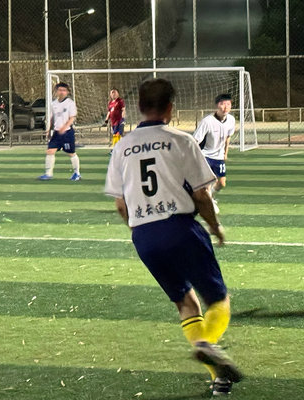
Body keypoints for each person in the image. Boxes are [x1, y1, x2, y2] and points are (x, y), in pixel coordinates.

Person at [104, 78, 242, 396]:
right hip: (180, 228)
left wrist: (141, 232)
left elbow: (120, 204)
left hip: (144, 237)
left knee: (185, 302)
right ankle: (207, 343)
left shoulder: (122, 146)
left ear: (139, 107)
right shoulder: (180, 141)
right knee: (218, 301)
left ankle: (219, 377)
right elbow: (202, 195)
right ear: (170, 108)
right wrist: (215, 228)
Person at [193, 93, 235, 213]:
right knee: (208, 183)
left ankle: (209, 196)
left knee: (222, 183)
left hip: (219, 157)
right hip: (205, 155)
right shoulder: (207, 121)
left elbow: (228, 137)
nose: (225, 107)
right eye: (222, 104)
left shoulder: (231, 120)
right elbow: (195, 140)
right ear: (217, 105)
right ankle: (209, 202)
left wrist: (225, 153)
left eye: (228, 104)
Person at [38, 82, 81, 181]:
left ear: (67, 92)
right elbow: (53, 117)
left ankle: (77, 173)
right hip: (57, 133)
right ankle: (48, 174)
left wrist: (64, 127)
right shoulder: (54, 104)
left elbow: (72, 118)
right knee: (50, 151)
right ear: (56, 91)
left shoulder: (70, 103)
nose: (62, 92)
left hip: (67, 132)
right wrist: (49, 129)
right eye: (60, 90)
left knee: (71, 153)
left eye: (64, 90)